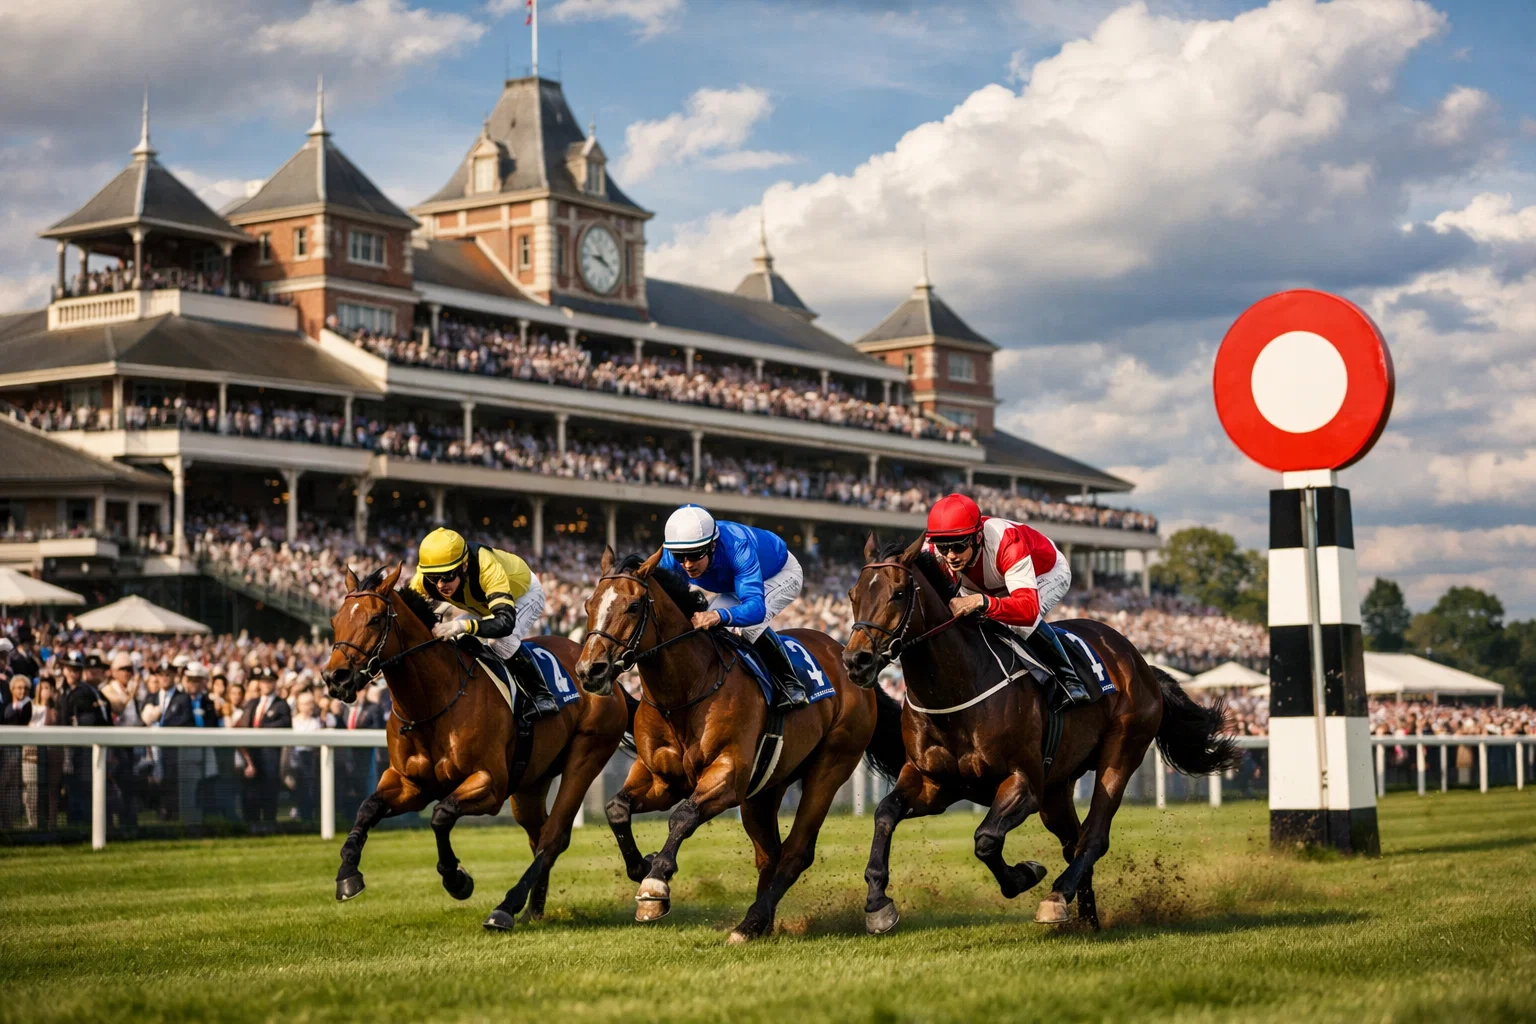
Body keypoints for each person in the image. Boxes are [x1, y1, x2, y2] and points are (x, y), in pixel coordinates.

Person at [922, 492, 1090, 709]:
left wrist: (983, 602)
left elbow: (1027, 609)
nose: (951, 555)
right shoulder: (934, 549)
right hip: (989, 584)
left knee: (1014, 623)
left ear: (978, 537)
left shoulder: (1006, 541)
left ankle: (1070, 681)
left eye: (958, 547)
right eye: (944, 548)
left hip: (1045, 573)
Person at [657, 504, 808, 710]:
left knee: (744, 626)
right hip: (735, 584)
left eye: (695, 554)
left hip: (779, 574)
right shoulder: (671, 556)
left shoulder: (737, 545)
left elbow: (755, 608)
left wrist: (719, 615)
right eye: (679, 556)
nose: (687, 564)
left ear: (711, 546)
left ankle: (791, 685)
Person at [409, 527, 559, 719]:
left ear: (463, 566)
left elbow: (504, 622)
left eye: (447, 576)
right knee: (458, 637)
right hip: (483, 607)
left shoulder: (486, 565)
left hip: (523, 595)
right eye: (433, 577)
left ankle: (542, 695)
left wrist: (463, 625)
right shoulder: (424, 579)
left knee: (501, 642)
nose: (439, 585)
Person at [240, 668, 290, 825]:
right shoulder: (253, 703)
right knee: (252, 790)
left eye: (270, 681)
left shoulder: (282, 705)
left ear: (275, 683)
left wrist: (261, 729)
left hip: (270, 755)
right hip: (253, 755)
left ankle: (269, 823)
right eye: (263, 681)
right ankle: (252, 823)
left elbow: (285, 724)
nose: (266, 684)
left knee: (269, 790)